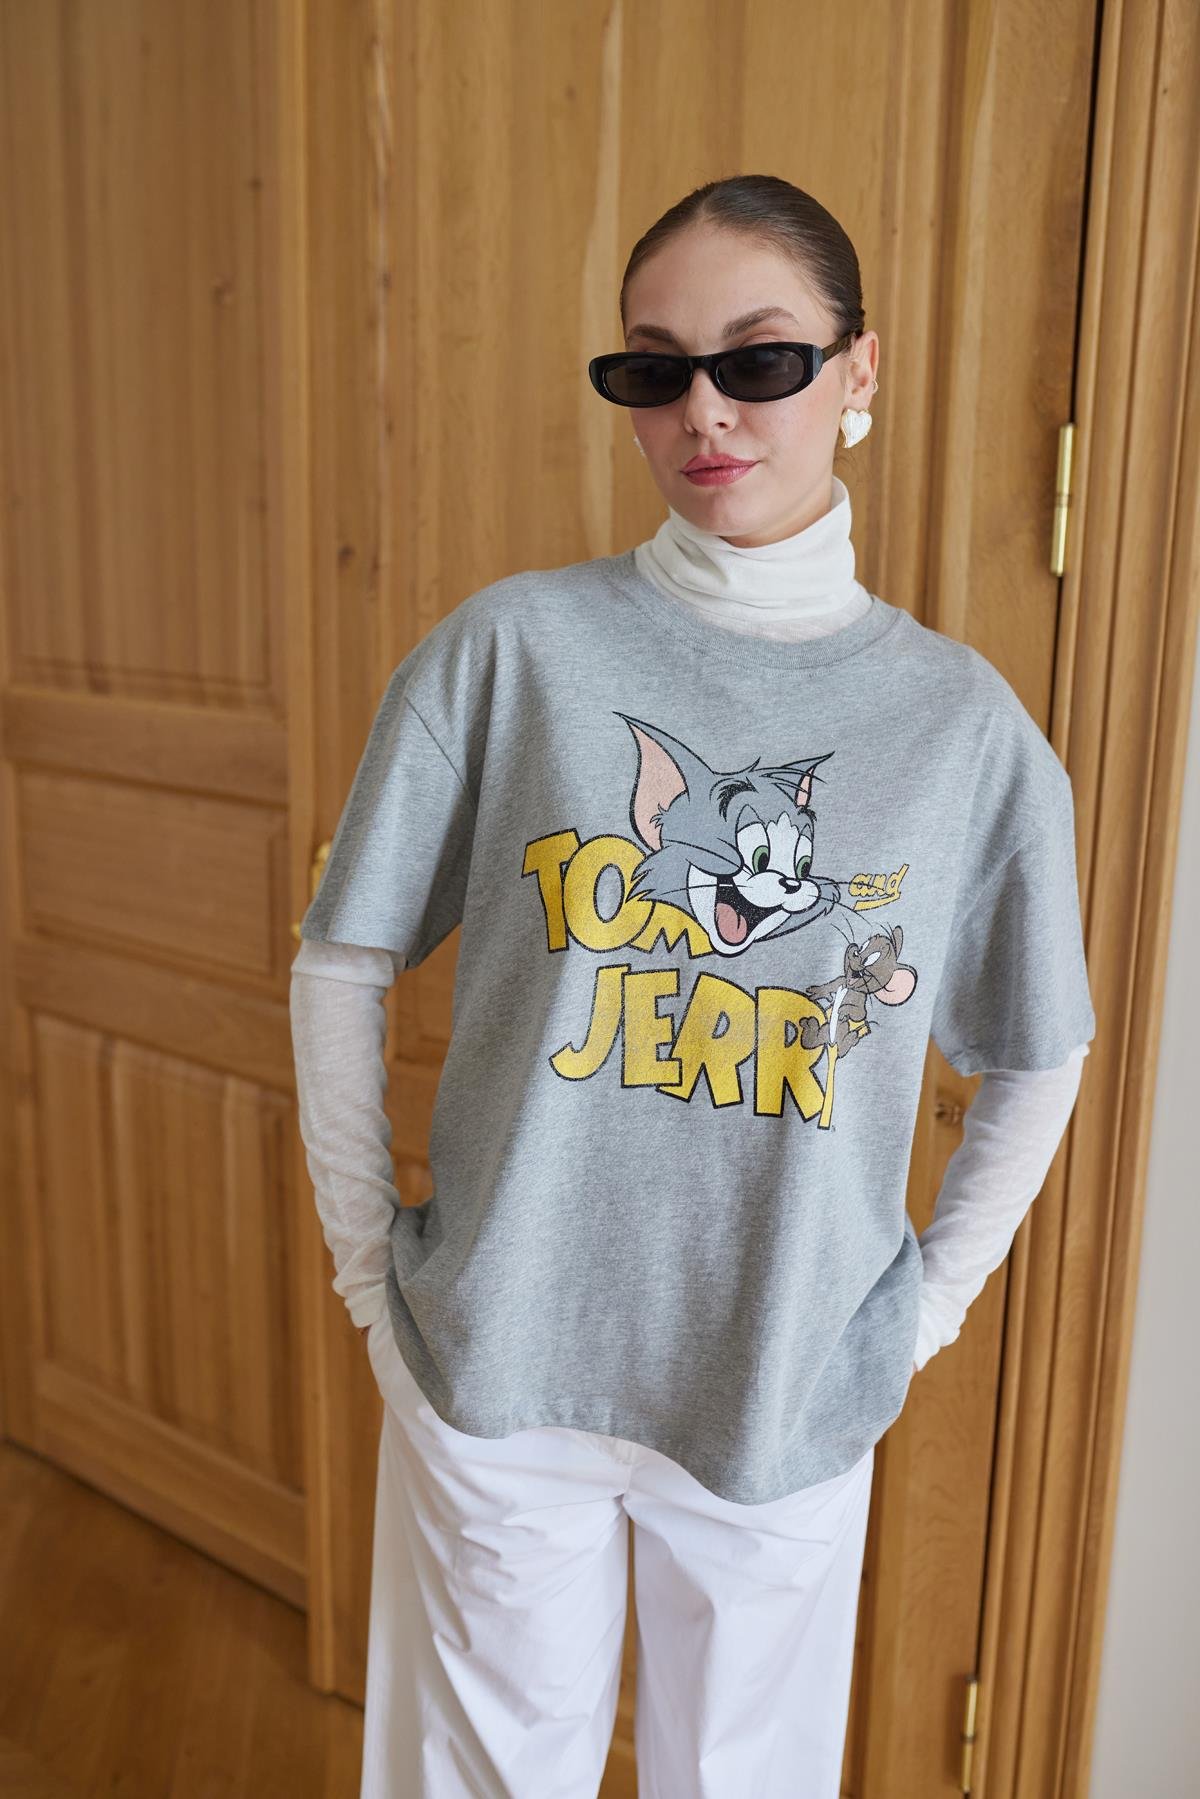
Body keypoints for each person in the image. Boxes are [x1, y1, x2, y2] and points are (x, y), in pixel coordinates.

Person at [290, 174, 1095, 1799]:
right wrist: (374, 1272)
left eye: (761, 360)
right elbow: (342, 956)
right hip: (500, 1361)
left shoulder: (963, 726)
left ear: (859, 371)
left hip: (787, 1377)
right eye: (654, 369)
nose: (705, 412)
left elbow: (1041, 1050)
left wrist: (922, 1312)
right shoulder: (513, 651)